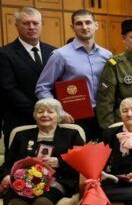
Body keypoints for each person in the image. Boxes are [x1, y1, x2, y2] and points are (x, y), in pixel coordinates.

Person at [0, 98, 82, 205]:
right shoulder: (22, 136)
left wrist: (60, 162)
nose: (45, 115)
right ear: (34, 115)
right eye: (40, 111)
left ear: (58, 115)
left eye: (50, 111)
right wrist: (5, 176)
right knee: (15, 203)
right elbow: (8, 164)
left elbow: (81, 163)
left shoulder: (71, 134)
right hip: (23, 183)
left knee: (43, 202)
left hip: (57, 181)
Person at [35, 9, 113, 140]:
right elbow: (42, 87)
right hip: (74, 118)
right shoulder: (60, 55)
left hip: (103, 116)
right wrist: (58, 111)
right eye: (79, 23)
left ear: (96, 25)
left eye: (88, 22)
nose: (84, 27)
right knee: (77, 153)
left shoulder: (107, 55)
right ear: (72, 27)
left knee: (104, 152)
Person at [0, 6, 56, 146]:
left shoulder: (53, 52)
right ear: (16, 25)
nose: (31, 27)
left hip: (51, 122)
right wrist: (37, 112)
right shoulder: (5, 53)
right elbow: (9, 89)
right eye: (26, 23)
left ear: (41, 24)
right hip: (20, 121)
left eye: (35, 23)